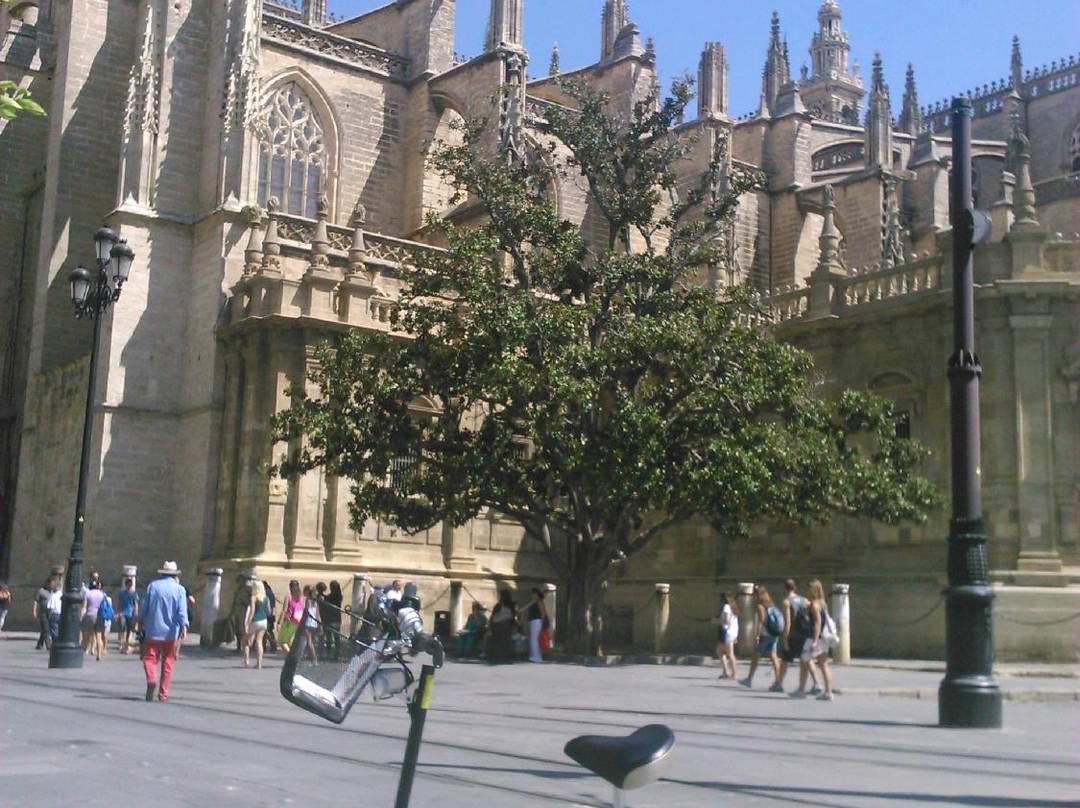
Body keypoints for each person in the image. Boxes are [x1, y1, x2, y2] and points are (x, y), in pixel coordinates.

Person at [139, 561, 189, 702]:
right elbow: (181, 611)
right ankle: (163, 693)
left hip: (153, 630)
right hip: (171, 632)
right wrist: (184, 626)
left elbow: (145, 607)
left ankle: (151, 679)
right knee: (168, 661)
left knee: (149, 658)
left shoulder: (153, 586)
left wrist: (140, 620)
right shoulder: (180, 589)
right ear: (175, 575)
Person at [781, 579, 821, 698]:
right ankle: (817, 683)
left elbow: (788, 621)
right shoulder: (805, 600)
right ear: (795, 588)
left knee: (785, 659)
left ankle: (778, 683)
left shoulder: (786, 602)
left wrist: (785, 637)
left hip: (793, 634)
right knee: (807, 659)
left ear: (785, 588)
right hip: (804, 633)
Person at [740, 585, 783, 691]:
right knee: (774, 657)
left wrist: (757, 636)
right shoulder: (772, 606)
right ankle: (778, 681)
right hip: (773, 634)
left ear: (757, 595)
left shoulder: (760, 607)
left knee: (755, 656)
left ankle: (749, 679)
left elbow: (760, 622)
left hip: (765, 635)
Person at [799, 579, 836, 701]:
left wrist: (814, 640)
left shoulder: (815, 604)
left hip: (814, 638)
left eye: (809, 589)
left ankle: (801, 691)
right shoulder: (821, 603)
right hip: (822, 638)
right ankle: (828, 692)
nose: (807, 591)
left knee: (804, 662)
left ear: (813, 590)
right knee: (823, 664)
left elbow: (817, 623)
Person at [242, 571, 270, 669]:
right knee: (259, 641)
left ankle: (246, 661)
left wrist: (247, 623)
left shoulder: (254, 597)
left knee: (245, 641)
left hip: (255, 620)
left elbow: (252, 611)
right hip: (264, 621)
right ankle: (259, 664)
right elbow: (268, 610)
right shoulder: (265, 598)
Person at [711, 592, 739, 680]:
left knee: (730, 654)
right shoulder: (733, 607)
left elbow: (727, 621)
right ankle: (725, 671)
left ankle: (734, 674)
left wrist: (716, 621)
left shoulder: (726, 607)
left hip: (728, 632)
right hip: (732, 632)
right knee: (720, 651)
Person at [487, 590, 517, 664]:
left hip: (499, 627)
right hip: (505, 626)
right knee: (506, 642)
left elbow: (493, 617)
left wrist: (491, 627)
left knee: (496, 642)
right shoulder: (510, 605)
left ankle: (495, 658)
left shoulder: (499, 605)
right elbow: (513, 616)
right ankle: (507, 658)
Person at [522, 587, 550, 663]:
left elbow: (543, 613)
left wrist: (542, 624)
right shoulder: (534, 602)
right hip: (533, 621)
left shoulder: (540, 602)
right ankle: (536, 656)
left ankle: (535, 656)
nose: (531, 595)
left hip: (537, 621)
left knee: (534, 638)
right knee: (534, 638)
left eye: (532, 593)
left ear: (536, 594)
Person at [277, 580, 304, 654]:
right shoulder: (301, 598)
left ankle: (291, 655)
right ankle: (295, 655)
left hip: (288, 621)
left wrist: (279, 622)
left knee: (282, 641)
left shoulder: (288, 596)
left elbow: (284, 610)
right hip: (297, 621)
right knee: (291, 640)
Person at [81, 577, 106, 656]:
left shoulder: (87, 594)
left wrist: (82, 615)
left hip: (89, 615)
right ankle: (98, 653)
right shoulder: (102, 594)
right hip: (99, 616)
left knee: (86, 635)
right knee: (98, 636)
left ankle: (85, 650)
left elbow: (84, 607)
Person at [116, 576, 139, 653]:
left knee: (129, 629)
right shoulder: (122, 594)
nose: (129, 586)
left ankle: (126, 643)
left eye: (130, 585)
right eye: (127, 585)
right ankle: (121, 642)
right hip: (123, 613)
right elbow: (119, 604)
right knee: (122, 627)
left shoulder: (134, 594)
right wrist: (118, 613)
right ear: (125, 585)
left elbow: (135, 604)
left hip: (130, 613)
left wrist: (136, 614)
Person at [33, 577, 54, 650]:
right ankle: (48, 645)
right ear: (47, 584)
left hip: (50, 612)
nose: (52, 586)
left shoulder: (52, 592)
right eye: (51, 584)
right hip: (43, 612)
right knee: (46, 629)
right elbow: (36, 601)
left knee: (44, 629)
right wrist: (34, 611)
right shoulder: (41, 591)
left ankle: (39, 644)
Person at [46, 579, 63, 647]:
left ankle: (55, 644)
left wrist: (49, 616)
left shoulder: (53, 595)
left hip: (54, 614)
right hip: (61, 614)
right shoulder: (61, 595)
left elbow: (51, 607)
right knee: (60, 629)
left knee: (54, 630)